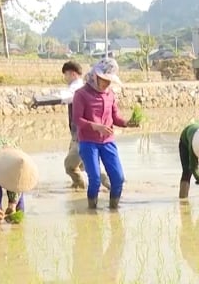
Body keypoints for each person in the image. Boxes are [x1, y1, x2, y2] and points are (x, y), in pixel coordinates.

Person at [72, 58, 139, 210]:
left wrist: (128, 123)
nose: (106, 84)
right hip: (88, 142)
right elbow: (77, 119)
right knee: (95, 179)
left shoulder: (110, 95)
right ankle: (92, 210)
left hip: (108, 141)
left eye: (109, 81)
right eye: (104, 80)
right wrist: (96, 126)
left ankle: (114, 209)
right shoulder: (81, 94)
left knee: (118, 178)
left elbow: (115, 117)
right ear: (95, 76)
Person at [59, 61, 109, 191]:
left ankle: (105, 185)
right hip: (80, 135)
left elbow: (66, 96)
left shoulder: (77, 89)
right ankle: (80, 186)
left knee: (71, 165)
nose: (65, 78)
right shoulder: (85, 87)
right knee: (83, 165)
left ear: (73, 74)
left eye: (66, 75)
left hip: (81, 136)